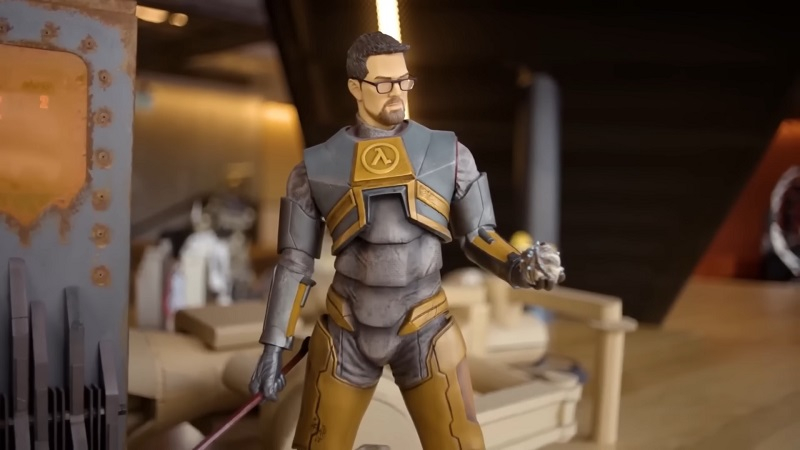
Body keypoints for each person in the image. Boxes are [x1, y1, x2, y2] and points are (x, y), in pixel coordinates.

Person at [249, 31, 565, 450]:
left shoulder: (450, 153)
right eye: (384, 84)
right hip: (348, 329)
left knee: (462, 446)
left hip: (425, 325)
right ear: (355, 87)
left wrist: (518, 266)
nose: (397, 92)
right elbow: (294, 262)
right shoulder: (314, 167)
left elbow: (478, 235)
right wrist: (273, 347)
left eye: (404, 81)